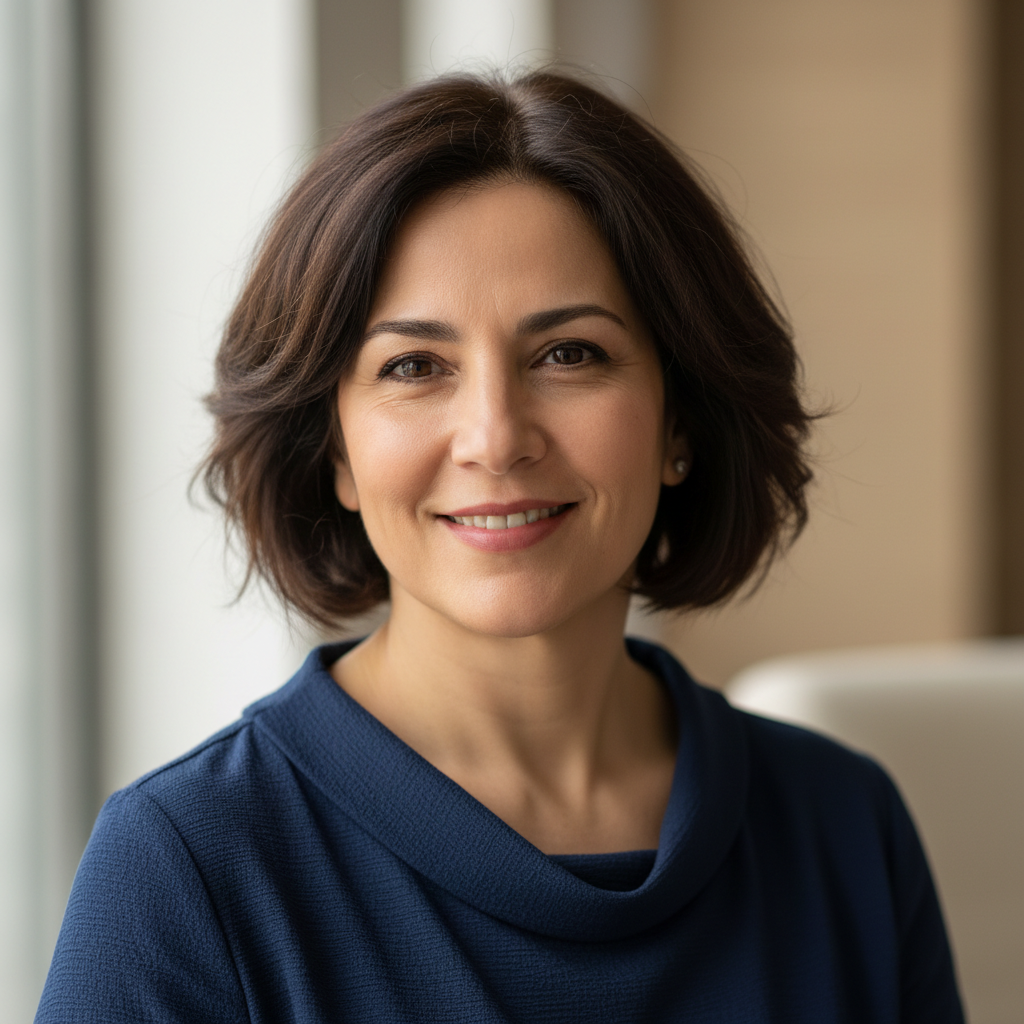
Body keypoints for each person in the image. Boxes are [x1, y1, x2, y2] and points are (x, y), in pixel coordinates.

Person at [36, 70, 964, 1022]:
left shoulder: (845, 824)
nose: (495, 435)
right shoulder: (187, 864)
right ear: (338, 455)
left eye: (570, 354)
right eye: (413, 367)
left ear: (680, 421)